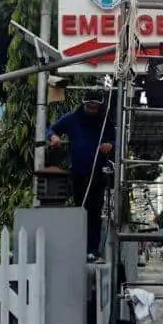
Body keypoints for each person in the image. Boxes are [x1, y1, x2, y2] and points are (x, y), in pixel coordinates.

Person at [47, 87, 115, 259]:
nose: (92, 110)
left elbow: (115, 139)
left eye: (95, 107)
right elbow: (52, 129)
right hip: (78, 172)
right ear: (84, 103)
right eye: (89, 106)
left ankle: (92, 250)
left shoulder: (104, 121)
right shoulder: (72, 119)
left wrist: (110, 145)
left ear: (100, 106)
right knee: (79, 209)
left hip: (97, 173)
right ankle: (78, 248)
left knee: (95, 212)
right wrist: (54, 137)